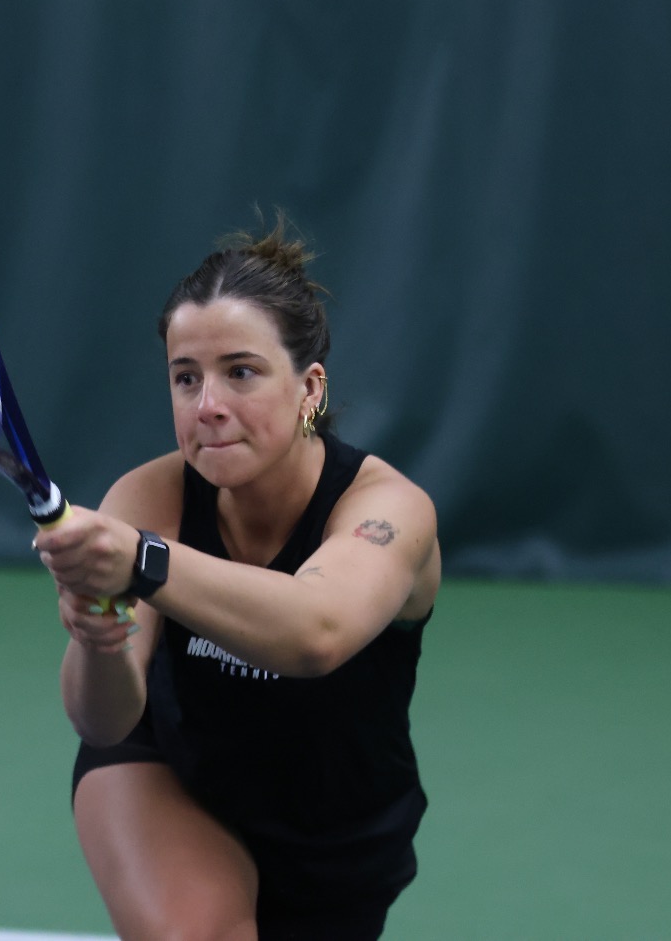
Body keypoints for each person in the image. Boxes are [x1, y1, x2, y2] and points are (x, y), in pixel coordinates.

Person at [34, 223, 440, 940]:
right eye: (185, 376)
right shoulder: (149, 497)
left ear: (309, 386)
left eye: (240, 372)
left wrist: (143, 561)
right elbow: (103, 721)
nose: (207, 404)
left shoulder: (387, 509)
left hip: (337, 836)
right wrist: (99, 638)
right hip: (172, 775)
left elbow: (316, 630)